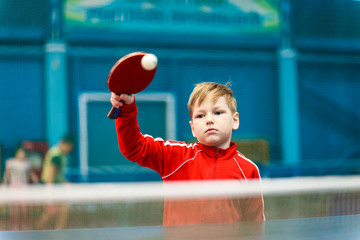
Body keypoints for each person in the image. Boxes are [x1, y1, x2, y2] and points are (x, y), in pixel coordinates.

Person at [110, 82, 265, 225]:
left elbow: (254, 225)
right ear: (192, 128)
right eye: (200, 115)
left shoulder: (248, 170)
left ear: (235, 120)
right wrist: (127, 109)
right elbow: (134, 148)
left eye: (218, 112)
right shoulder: (175, 156)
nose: (209, 120)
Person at [37, 135, 74, 229]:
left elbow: (57, 175)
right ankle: (40, 231)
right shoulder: (56, 156)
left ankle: (57, 231)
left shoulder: (58, 153)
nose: (69, 151)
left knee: (59, 211)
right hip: (51, 187)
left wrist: (65, 183)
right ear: (65, 144)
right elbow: (51, 174)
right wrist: (49, 193)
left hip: (55, 186)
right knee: (52, 212)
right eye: (69, 148)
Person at [3, 147, 39, 230]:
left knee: (25, 207)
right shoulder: (10, 162)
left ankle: (25, 225)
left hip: (23, 187)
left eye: (23, 153)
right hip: (13, 187)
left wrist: (35, 180)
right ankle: (14, 226)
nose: (22, 155)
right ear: (17, 153)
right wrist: (4, 184)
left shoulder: (27, 163)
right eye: (20, 153)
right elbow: (7, 174)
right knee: (14, 208)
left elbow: (31, 174)